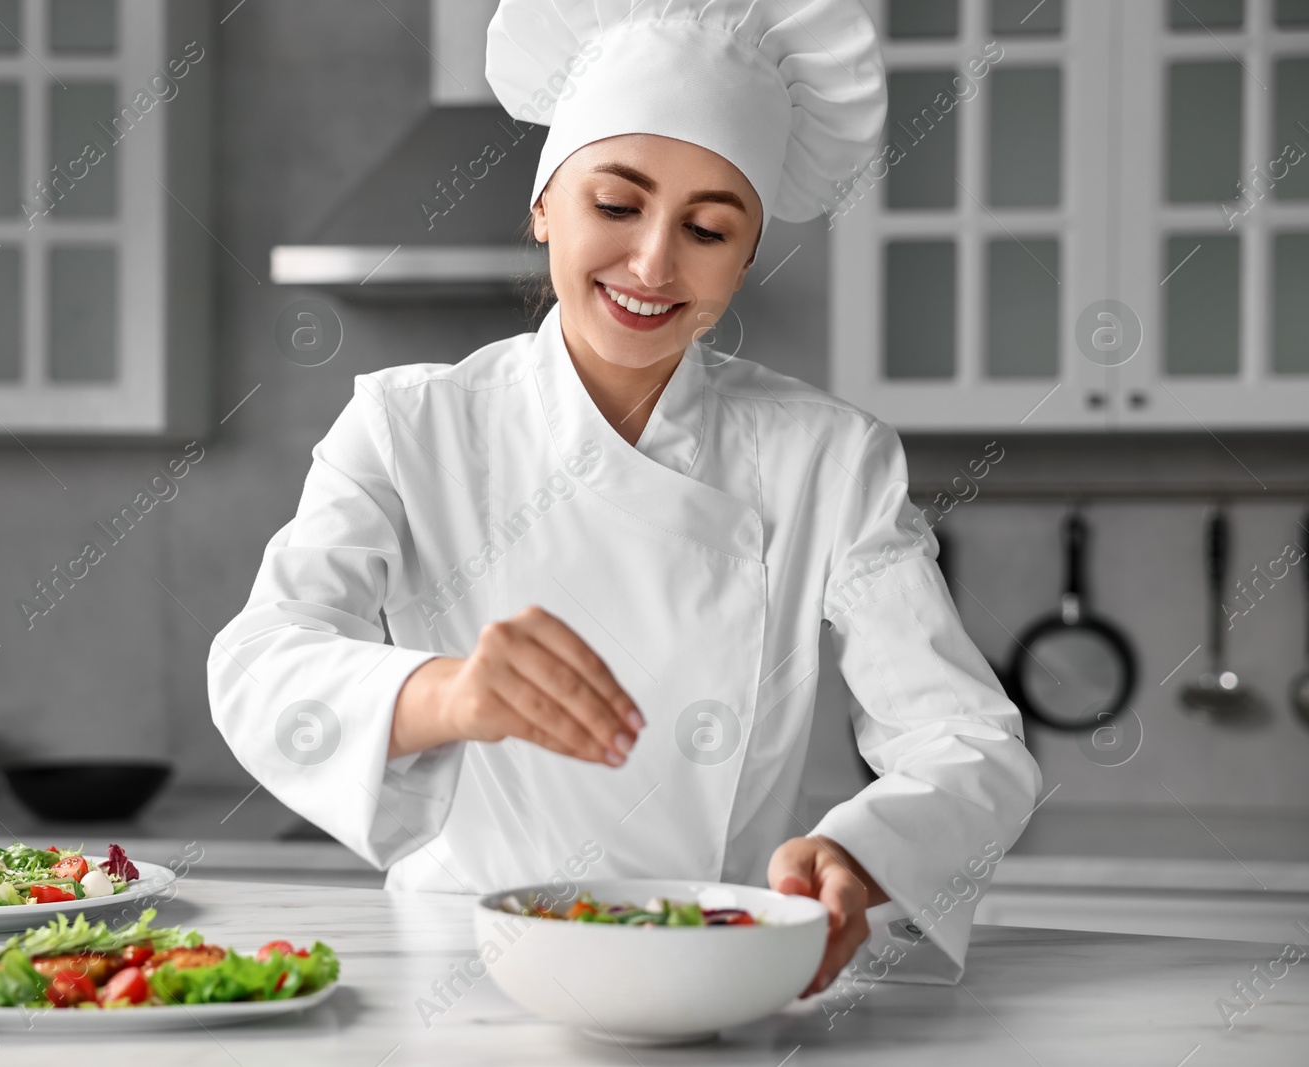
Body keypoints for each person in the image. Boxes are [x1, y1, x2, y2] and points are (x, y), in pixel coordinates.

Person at [209, 0, 1042, 996]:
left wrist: (861, 857)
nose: (652, 263)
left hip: (717, 962)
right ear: (542, 207)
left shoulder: (828, 457)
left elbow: (967, 738)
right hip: (462, 971)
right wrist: (448, 694)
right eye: (615, 204)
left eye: (706, 227)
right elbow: (259, 659)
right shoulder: (408, 427)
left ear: (743, 256)